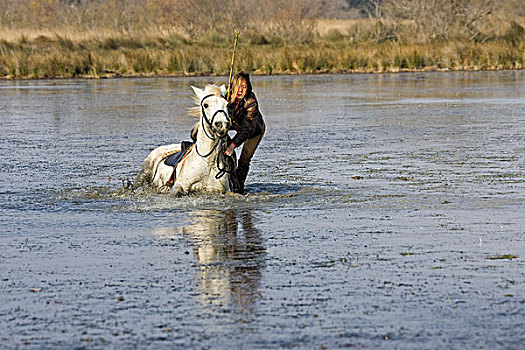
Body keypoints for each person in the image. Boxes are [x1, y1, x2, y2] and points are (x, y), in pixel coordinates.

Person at [191, 71, 265, 194]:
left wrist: (232, 145)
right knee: (195, 132)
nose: (240, 90)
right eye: (238, 87)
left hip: (253, 129)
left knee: (244, 159)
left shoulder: (251, 102)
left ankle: (238, 187)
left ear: (248, 88)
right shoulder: (226, 93)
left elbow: (247, 129)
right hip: (233, 122)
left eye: (244, 87)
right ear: (233, 86)